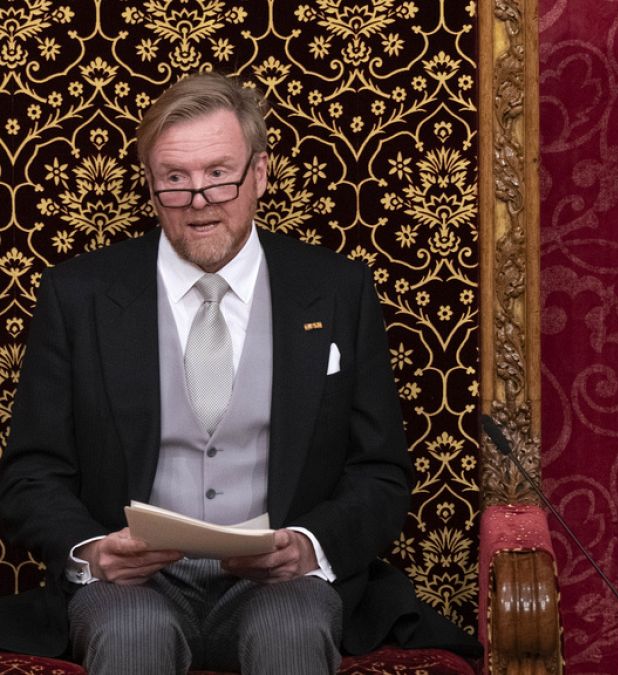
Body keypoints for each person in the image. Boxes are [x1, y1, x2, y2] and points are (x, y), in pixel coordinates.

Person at [0, 72, 479, 673]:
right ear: (151, 188)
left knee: (293, 627)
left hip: (282, 584)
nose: (199, 199)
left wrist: (307, 547)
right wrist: (92, 552)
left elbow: (379, 472)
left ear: (259, 173)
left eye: (219, 174)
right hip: (130, 589)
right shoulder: (78, 296)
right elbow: (31, 474)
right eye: (176, 180)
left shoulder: (336, 290)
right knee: (131, 634)